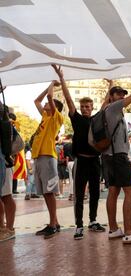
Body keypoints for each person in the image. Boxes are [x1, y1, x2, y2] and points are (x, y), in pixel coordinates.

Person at [52, 65, 105, 240]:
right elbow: (68, 99)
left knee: (95, 193)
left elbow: (105, 106)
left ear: (92, 107)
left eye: (88, 106)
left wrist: (111, 84)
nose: (85, 109)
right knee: (80, 194)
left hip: (95, 161)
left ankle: (93, 220)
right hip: (81, 161)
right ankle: (79, 225)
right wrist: (62, 79)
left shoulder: (97, 119)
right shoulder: (77, 119)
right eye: (83, 106)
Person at [101, 67, 131, 244]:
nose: (122, 96)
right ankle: (129, 231)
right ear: (111, 97)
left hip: (108, 157)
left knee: (113, 191)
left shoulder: (106, 109)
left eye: (123, 93)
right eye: (118, 94)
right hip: (118, 157)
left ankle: (114, 229)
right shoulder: (114, 108)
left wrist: (111, 85)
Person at [32, 80, 64, 239]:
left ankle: (52, 224)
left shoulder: (56, 117)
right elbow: (36, 100)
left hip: (48, 156)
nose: (44, 103)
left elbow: (50, 96)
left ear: (54, 108)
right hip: (39, 156)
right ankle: (55, 223)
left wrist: (53, 83)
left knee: (49, 192)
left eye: (48, 103)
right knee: (45, 192)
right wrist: (48, 87)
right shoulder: (45, 116)